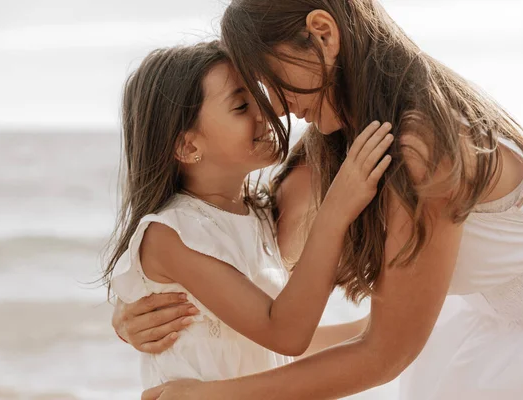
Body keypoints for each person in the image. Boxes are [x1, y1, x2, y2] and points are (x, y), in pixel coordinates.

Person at [130, 1, 523, 399]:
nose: (275, 108)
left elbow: (383, 355)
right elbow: (248, 261)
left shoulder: (420, 148)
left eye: (267, 80)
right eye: (250, 95)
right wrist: (149, 305)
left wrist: (202, 396)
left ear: (323, 33)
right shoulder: (342, 149)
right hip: (496, 325)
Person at [103, 40, 392, 389]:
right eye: (241, 105)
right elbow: (284, 334)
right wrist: (336, 212)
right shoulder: (170, 235)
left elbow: (270, 351)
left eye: (259, 95)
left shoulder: (258, 217)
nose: (267, 110)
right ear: (188, 146)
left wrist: (386, 327)